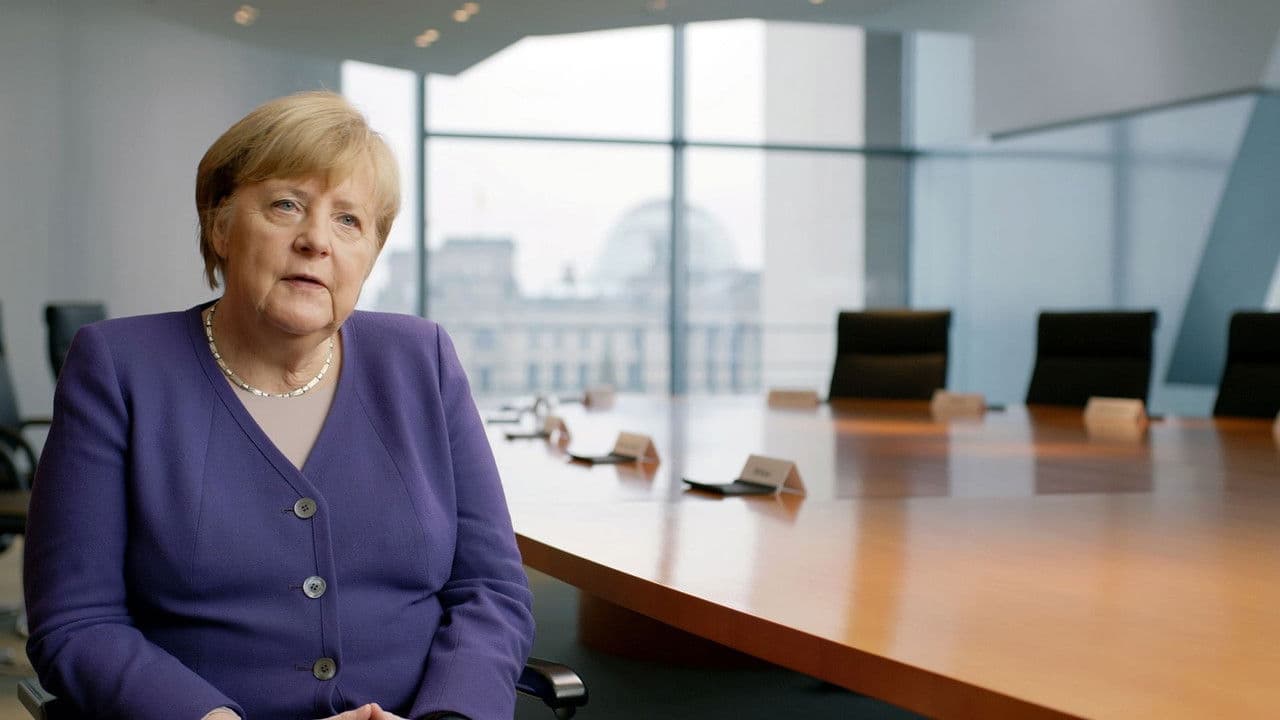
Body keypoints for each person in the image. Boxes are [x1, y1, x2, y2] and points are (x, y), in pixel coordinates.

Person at [23, 91, 534, 720]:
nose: (316, 240)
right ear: (220, 227)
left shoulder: (420, 359)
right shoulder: (118, 367)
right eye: (286, 205)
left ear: (371, 254)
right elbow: (77, 621)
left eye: (349, 221)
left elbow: (491, 590)